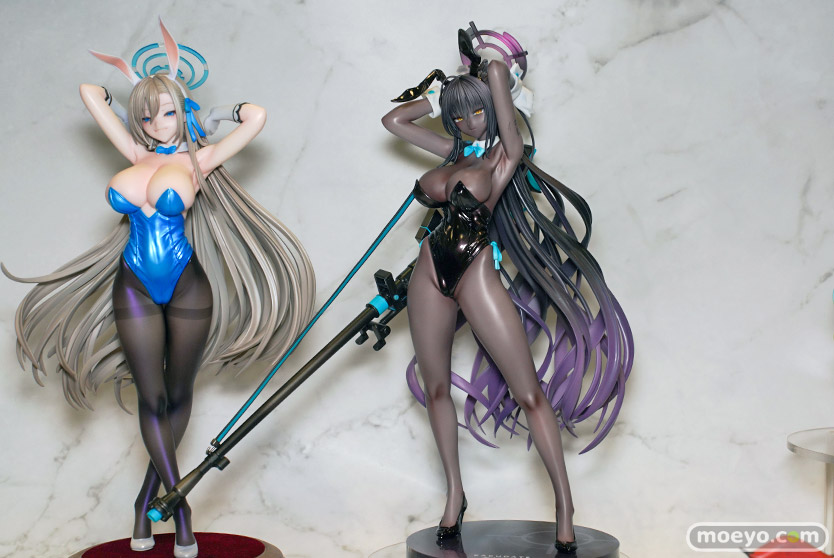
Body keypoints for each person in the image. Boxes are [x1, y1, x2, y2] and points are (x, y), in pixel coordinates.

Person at [4, 20, 315, 558]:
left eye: (166, 113)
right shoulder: (134, 153)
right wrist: (118, 95)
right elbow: (88, 92)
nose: (155, 124)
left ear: (181, 110)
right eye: (146, 116)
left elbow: (257, 116)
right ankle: (181, 508)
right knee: (152, 398)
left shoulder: (200, 159)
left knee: (177, 394)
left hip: (188, 287)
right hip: (134, 288)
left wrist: (216, 116)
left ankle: (145, 502)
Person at [382, 31, 633, 552]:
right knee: (435, 388)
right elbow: (394, 122)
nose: (467, 122)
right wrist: (440, 96)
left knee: (528, 391)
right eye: (458, 116)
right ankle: (454, 494)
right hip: (429, 270)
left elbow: (497, 79)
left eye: (476, 112)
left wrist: (485, 67)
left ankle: (564, 505)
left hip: (475, 268)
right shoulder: (450, 150)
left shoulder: (504, 155)